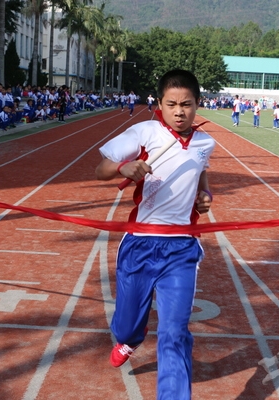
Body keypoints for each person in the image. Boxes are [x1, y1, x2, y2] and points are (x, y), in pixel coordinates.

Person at [95, 69, 214, 400]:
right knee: (125, 325)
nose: (179, 111)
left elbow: (201, 175)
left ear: (197, 104)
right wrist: (123, 168)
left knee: (175, 332)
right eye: (172, 104)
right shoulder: (144, 132)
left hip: (182, 249)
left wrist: (206, 197)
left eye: (187, 104)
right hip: (140, 245)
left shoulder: (205, 143)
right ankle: (131, 339)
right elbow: (100, 169)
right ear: (159, 104)